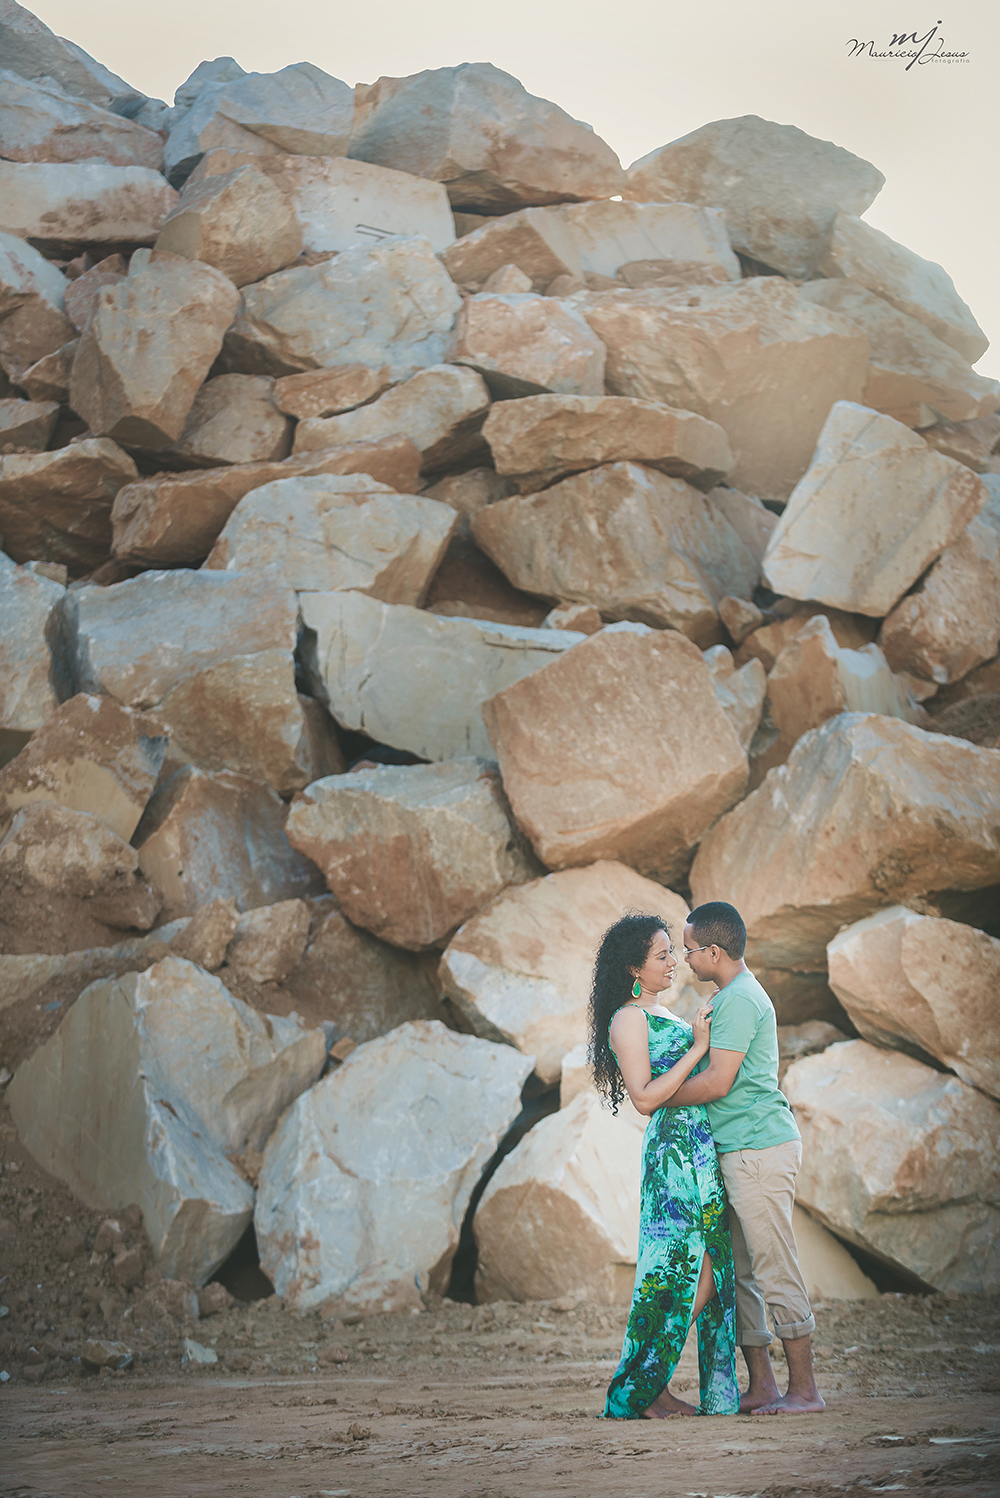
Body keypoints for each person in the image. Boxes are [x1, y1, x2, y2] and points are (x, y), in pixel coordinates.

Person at [662, 900, 826, 1416]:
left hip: (759, 1149)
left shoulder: (739, 1000)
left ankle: (805, 1391)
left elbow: (718, 1082)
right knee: (741, 1273)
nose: (685, 959)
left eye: (689, 950)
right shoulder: (730, 996)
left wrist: (658, 1096)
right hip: (738, 1151)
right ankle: (763, 1386)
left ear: (714, 951)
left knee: (775, 1266)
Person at [590, 911, 739, 1419]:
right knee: (678, 1270)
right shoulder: (628, 1019)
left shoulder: (664, 1014)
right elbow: (644, 1098)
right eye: (662, 955)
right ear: (635, 968)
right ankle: (643, 1386)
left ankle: (652, 1384)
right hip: (673, 1155)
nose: (674, 961)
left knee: (710, 1266)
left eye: (673, 952)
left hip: (699, 1148)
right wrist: (698, 1048)